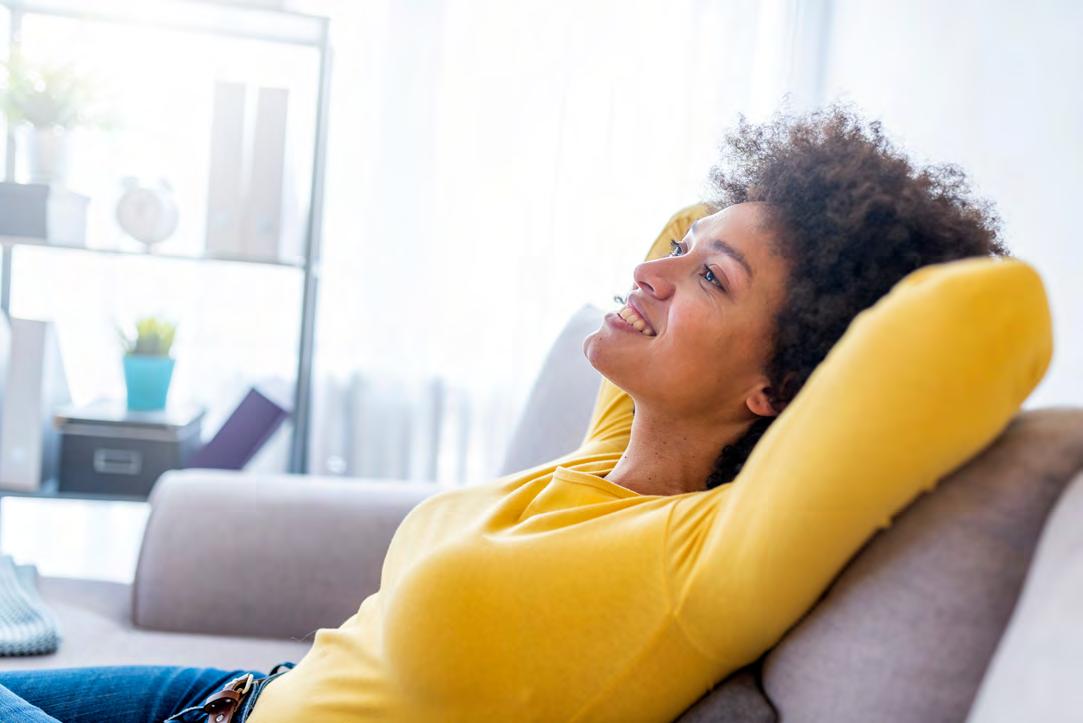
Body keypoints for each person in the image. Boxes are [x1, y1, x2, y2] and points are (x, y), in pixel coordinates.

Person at [0, 103, 1046, 722]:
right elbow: (681, 221)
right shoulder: (611, 457)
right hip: (237, 696)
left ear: (778, 388)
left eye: (708, 278)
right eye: (683, 256)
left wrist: (837, 267)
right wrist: (740, 236)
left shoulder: (708, 558)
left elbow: (987, 315)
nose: (651, 271)